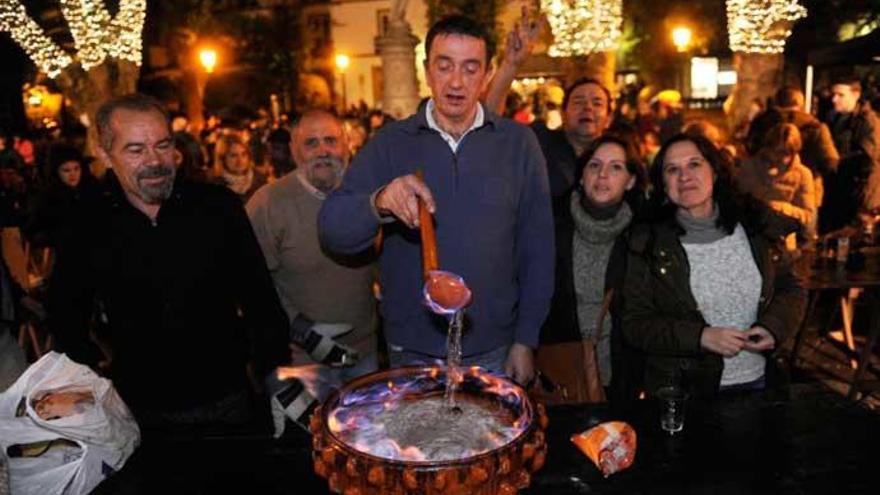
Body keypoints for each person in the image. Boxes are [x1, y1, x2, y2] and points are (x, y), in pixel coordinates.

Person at [318, 15, 554, 385]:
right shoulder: (391, 143)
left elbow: (537, 248)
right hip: (411, 350)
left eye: (470, 68)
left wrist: (526, 338)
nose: (456, 82)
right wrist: (380, 201)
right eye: (444, 66)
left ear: (487, 73)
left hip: (494, 348)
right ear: (427, 71)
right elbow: (333, 229)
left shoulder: (518, 144)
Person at [48, 94, 290, 430]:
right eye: (136, 150)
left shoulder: (217, 208)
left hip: (230, 400)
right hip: (138, 411)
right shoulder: (87, 223)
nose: (155, 161)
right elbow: (65, 316)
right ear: (104, 154)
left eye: (162, 145)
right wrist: (97, 385)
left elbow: (261, 300)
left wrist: (277, 380)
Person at [622, 133, 805, 398]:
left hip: (761, 385)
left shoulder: (754, 227)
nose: (684, 176)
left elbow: (791, 288)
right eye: (672, 169)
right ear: (663, 183)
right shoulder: (647, 242)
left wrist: (773, 326)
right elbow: (635, 324)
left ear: (715, 172)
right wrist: (700, 337)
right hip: (684, 394)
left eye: (694, 164)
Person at [247, 109, 377, 403]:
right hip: (301, 363)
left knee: (362, 443)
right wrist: (303, 332)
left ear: (347, 145)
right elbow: (253, 285)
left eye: (331, 140)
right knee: (308, 446)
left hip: (364, 357)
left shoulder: (367, 199)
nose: (323, 151)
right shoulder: (268, 204)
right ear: (294, 151)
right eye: (311, 143)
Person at [540, 133, 646, 400]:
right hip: (560, 372)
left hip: (624, 375)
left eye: (616, 167)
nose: (602, 175)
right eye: (594, 165)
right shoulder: (550, 224)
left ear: (631, 180)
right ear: (581, 175)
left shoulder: (643, 234)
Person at [747, 86, 838, 211]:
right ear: (801, 103)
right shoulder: (816, 127)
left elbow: (750, 152)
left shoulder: (761, 124)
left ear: (777, 102)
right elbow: (830, 163)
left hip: (766, 194)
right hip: (806, 196)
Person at [737, 123, 816, 240]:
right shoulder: (748, 168)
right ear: (768, 148)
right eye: (776, 151)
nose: (779, 158)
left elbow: (809, 218)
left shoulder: (802, 175)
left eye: (785, 153)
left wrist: (781, 209)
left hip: (783, 242)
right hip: (751, 238)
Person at [822, 76, 880, 232]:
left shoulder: (868, 121)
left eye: (841, 95)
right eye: (833, 94)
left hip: (857, 190)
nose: (834, 99)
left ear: (856, 95)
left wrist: (836, 161)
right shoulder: (834, 117)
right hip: (839, 186)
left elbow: (867, 156)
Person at [212, 133, 268, 202]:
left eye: (243, 154)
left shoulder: (260, 180)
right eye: (233, 156)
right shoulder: (216, 185)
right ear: (222, 159)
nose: (240, 160)